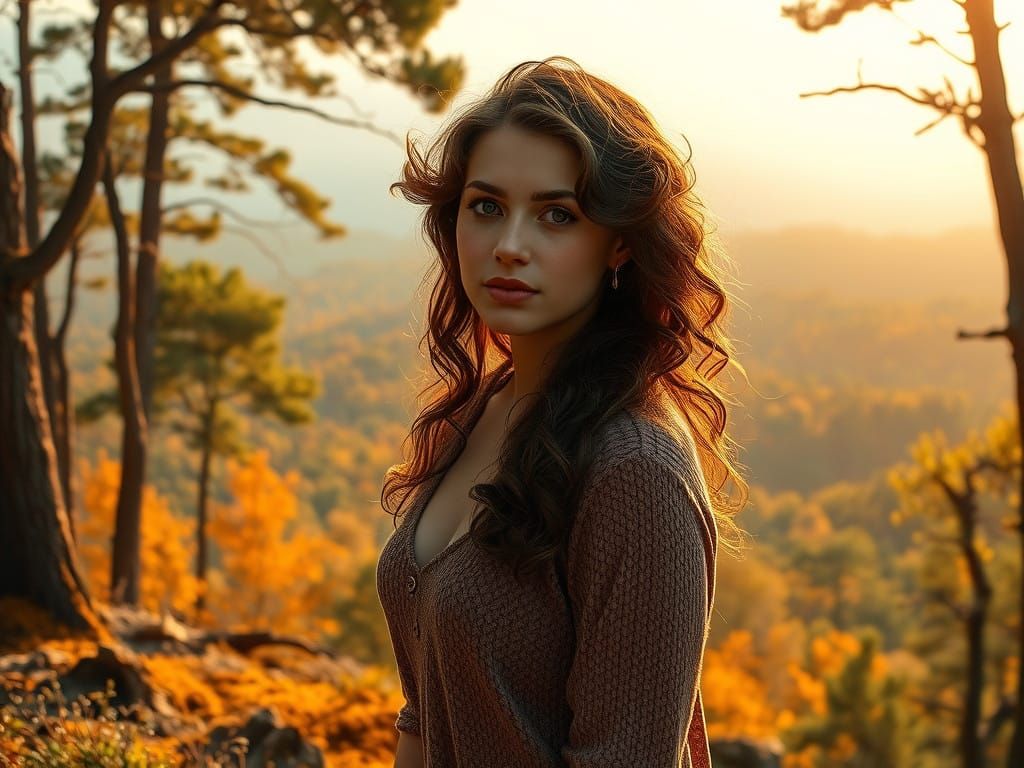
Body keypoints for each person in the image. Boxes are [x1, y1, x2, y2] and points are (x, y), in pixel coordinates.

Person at [376, 56, 748, 768]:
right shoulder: (484, 411)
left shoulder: (634, 472)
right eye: (486, 206)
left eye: (557, 215)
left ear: (617, 244)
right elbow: (424, 715)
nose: (509, 247)